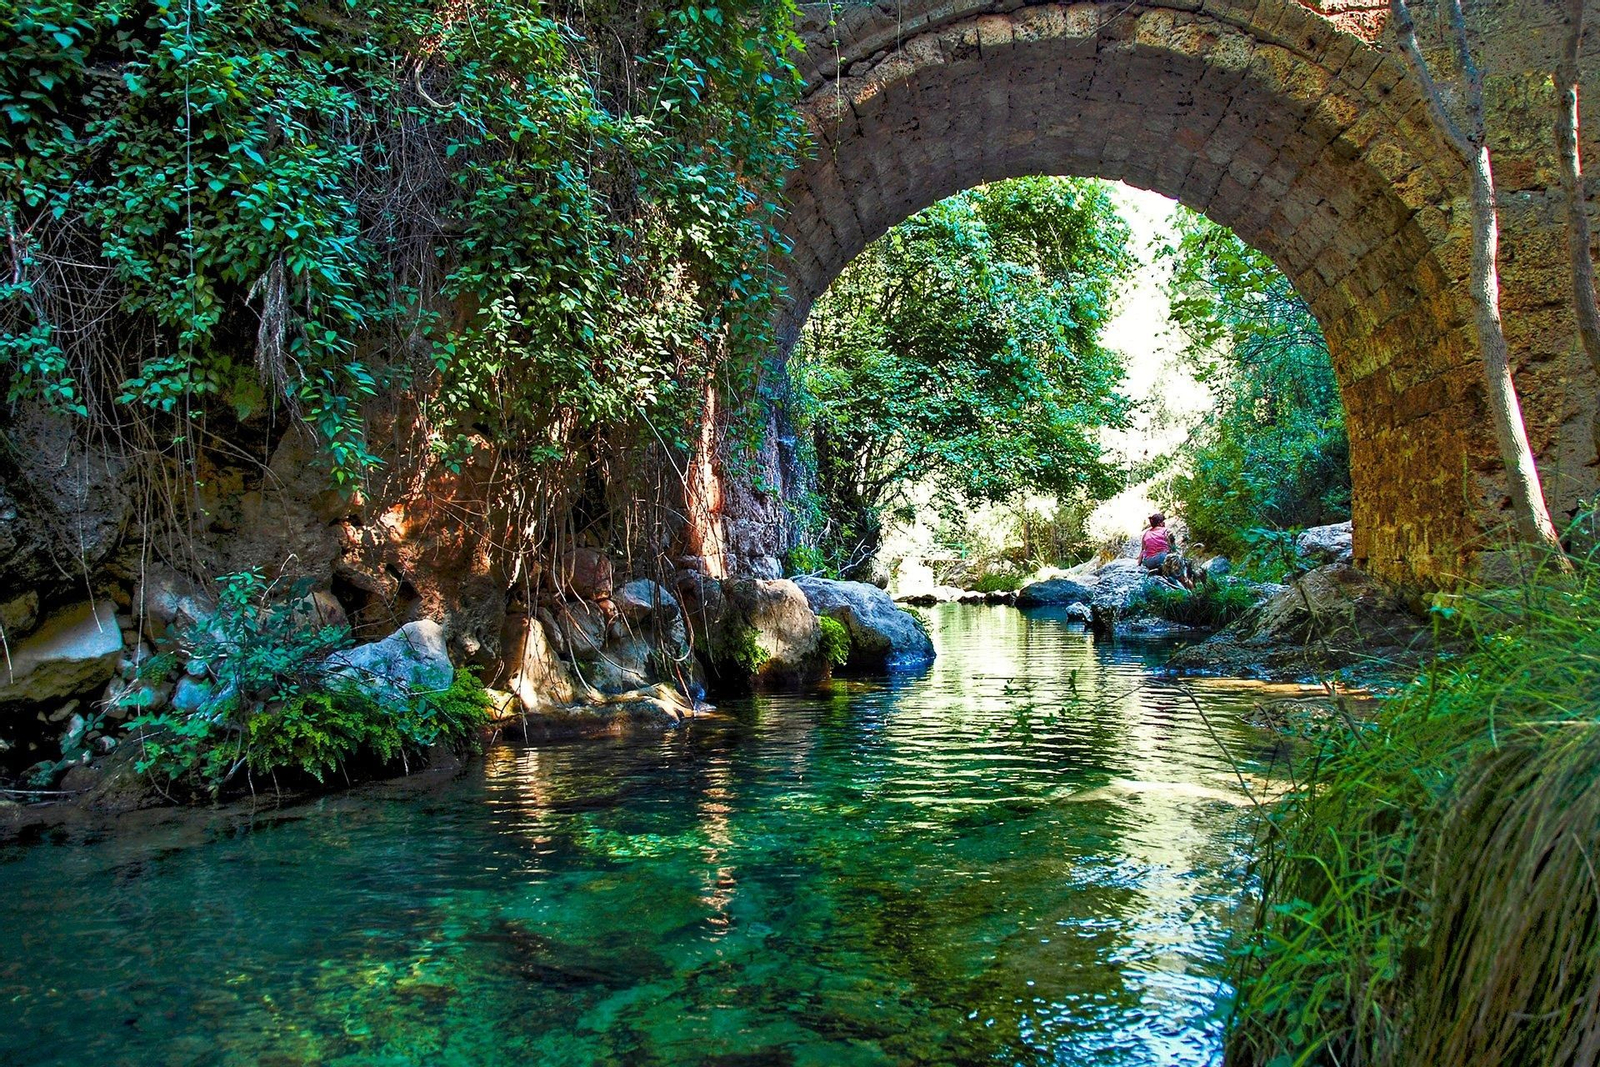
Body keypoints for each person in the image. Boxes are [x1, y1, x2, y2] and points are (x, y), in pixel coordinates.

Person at [1139, 512, 1194, 589]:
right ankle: (1194, 592)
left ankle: (1160, 572)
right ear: (1160, 523)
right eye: (1163, 521)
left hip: (1149, 562)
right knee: (1181, 576)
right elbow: (1173, 548)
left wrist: (1138, 566)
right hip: (1163, 558)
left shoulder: (1146, 534)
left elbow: (1142, 551)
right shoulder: (1166, 531)